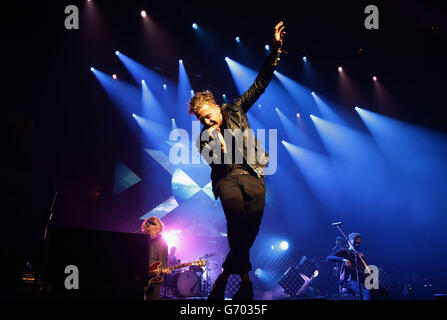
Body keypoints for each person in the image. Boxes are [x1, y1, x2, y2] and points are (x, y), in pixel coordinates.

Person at [188, 21, 286, 300]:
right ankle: (245, 282)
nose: (206, 120)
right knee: (235, 219)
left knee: (250, 229)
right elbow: (214, 165)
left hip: (253, 175)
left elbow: (261, 83)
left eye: (208, 114)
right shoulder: (203, 138)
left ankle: (224, 276)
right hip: (227, 179)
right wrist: (217, 141)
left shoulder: (236, 110)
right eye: (202, 119)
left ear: (217, 106)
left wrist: (275, 50)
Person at [327, 233, 370, 300]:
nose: (357, 245)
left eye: (358, 243)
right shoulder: (345, 251)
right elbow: (329, 257)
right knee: (366, 292)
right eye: (355, 243)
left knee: (374, 290)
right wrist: (343, 259)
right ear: (349, 242)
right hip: (348, 281)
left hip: (356, 281)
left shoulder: (358, 255)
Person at [141, 216, 169, 300]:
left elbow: (164, 257)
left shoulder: (162, 241)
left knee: (153, 297)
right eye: (155, 229)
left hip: (155, 276)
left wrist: (164, 268)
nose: (157, 231)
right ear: (148, 228)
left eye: (158, 229)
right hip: (141, 275)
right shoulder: (141, 239)